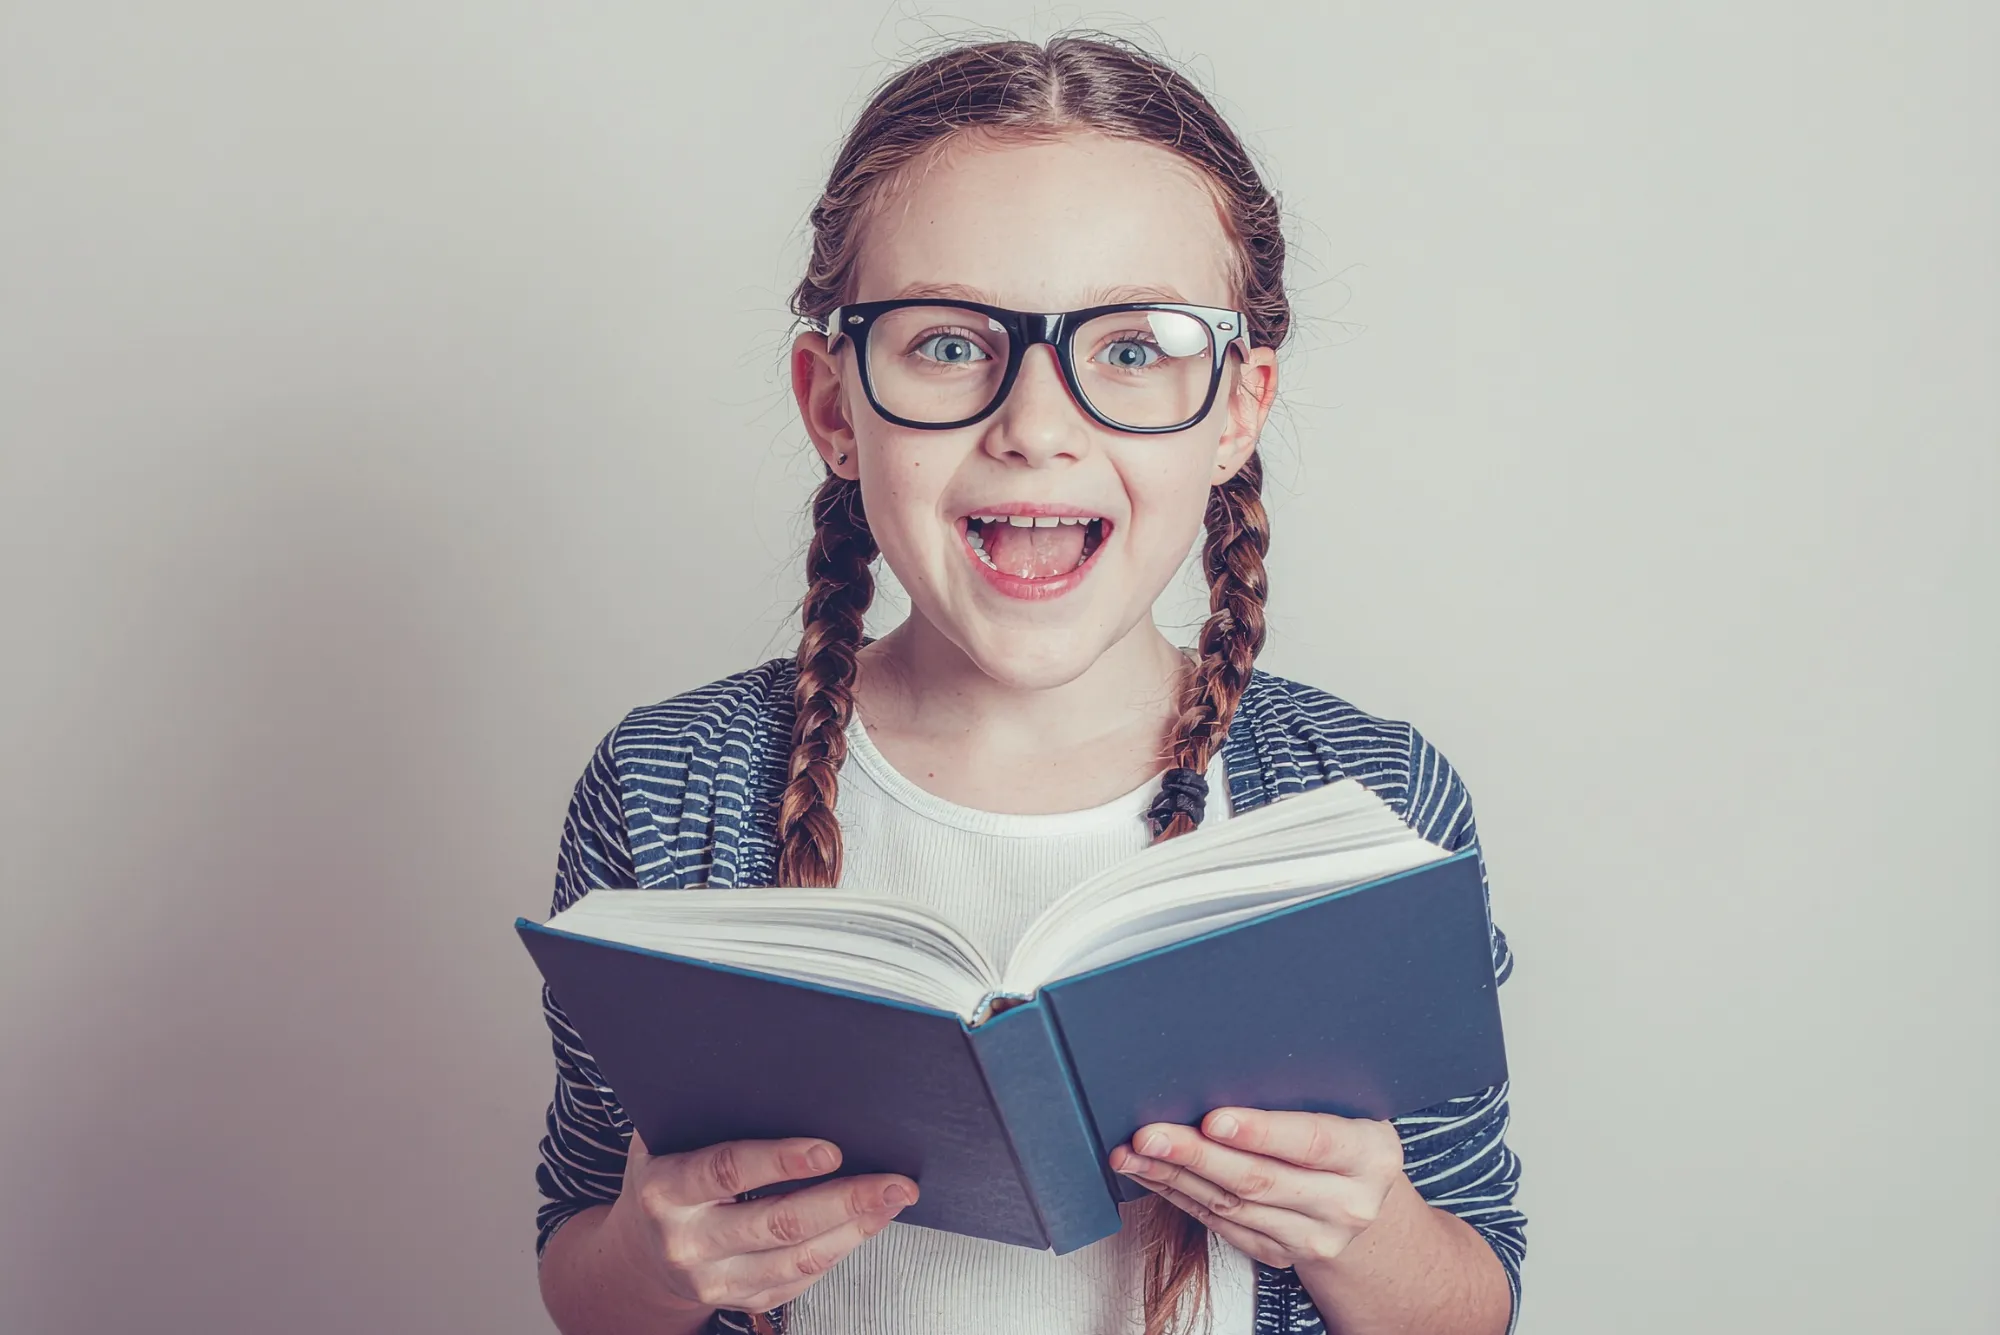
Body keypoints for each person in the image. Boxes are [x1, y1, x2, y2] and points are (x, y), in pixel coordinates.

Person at [531, 32, 1526, 1335]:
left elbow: (1474, 1289)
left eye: (1134, 347)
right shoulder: (670, 786)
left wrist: (1363, 1229)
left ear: (1238, 404)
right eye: (946, 344)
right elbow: (579, 1254)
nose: (1037, 423)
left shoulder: (1375, 804)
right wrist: (660, 1267)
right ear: (833, 404)